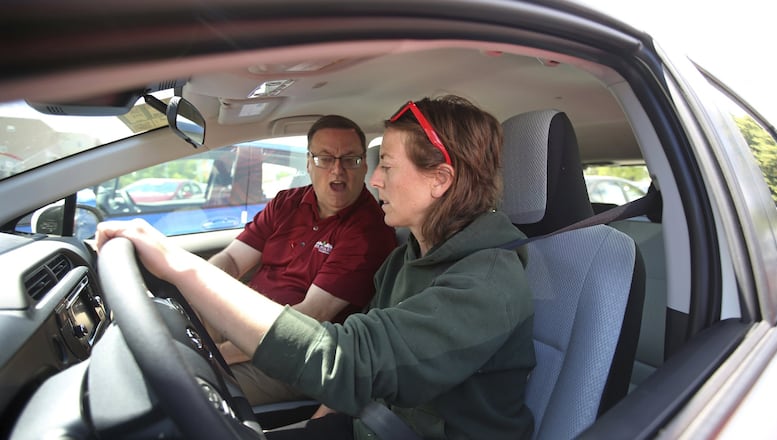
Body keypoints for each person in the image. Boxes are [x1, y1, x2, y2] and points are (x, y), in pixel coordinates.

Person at [97, 95, 536, 439]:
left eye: (384, 164)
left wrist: (181, 267)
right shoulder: (408, 258)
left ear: (439, 179)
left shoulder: (488, 282)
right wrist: (318, 427)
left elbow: (350, 359)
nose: (375, 179)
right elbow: (364, 372)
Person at [209, 114, 399, 405]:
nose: (337, 170)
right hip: (243, 321)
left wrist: (219, 354)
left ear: (364, 167)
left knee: (192, 387)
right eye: (325, 158)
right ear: (308, 163)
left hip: (291, 354)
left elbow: (310, 315)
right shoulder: (286, 203)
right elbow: (232, 260)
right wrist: (200, 297)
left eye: (350, 160)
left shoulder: (369, 231)